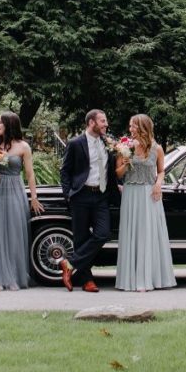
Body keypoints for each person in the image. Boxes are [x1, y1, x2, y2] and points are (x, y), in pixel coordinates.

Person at [0, 112, 43, 291]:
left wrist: (34, 197)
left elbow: (30, 174)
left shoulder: (23, 147)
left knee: (13, 232)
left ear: (9, 124)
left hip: (14, 190)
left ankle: (13, 275)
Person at [57, 109, 118, 293]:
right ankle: (87, 281)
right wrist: (68, 194)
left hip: (101, 196)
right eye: (102, 121)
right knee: (81, 238)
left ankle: (69, 264)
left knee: (103, 233)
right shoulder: (76, 143)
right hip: (81, 195)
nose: (106, 124)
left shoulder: (108, 142)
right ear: (91, 122)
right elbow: (65, 171)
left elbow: (112, 168)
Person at [115, 114, 176, 292]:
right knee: (132, 232)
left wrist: (158, 184)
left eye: (133, 126)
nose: (130, 129)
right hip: (131, 193)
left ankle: (149, 278)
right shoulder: (124, 146)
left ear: (143, 127)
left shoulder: (157, 149)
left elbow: (161, 171)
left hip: (150, 194)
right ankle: (131, 280)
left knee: (148, 234)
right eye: (130, 126)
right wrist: (125, 163)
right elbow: (117, 174)